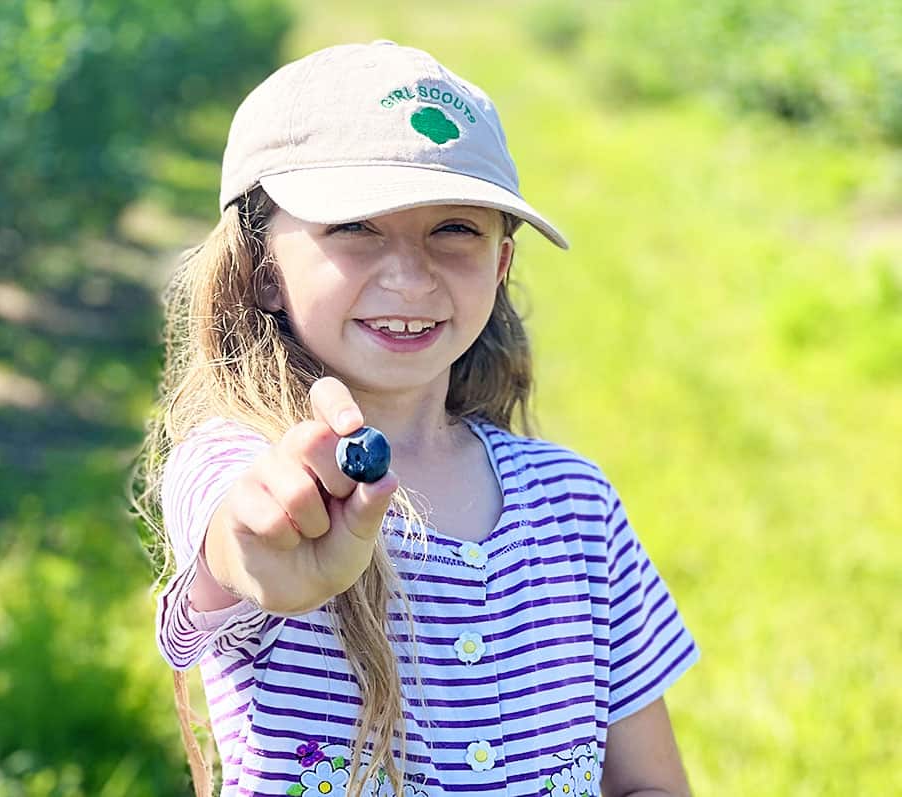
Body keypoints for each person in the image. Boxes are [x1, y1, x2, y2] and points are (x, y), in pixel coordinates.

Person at [133, 40, 699, 797]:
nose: (409, 274)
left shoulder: (576, 505)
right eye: (356, 227)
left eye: (455, 229)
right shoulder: (243, 461)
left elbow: (648, 780)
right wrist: (263, 548)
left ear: (500, 265)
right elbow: (240, 531)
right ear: (263, 269)